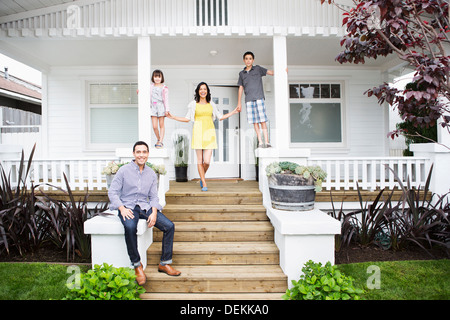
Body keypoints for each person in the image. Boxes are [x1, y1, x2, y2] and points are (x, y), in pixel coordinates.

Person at [108, 141, 181, 285]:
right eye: (138, 152)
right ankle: (137, 265)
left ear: (148, 154)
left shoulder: (151, 174)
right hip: (128, 206)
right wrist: (121, 208)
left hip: (144, 207)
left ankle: (164, 263)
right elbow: (112, 192)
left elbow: (154, 196)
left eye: (144, 152)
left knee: (169, 226)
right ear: (134, 154)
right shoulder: (123, 171)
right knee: (130, 227)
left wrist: (154, 212)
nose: (141, 155)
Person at [167, 82, 238, 191]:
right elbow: (187, 119)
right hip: (198, 133)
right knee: (200, 161)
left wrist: (233, 112)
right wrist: (173, 117)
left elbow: (220, 117)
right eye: (201, 89)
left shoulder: (212, 105)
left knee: (207, 161)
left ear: (207, 91)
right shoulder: (193, 104)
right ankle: (204, 183)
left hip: (209, 134)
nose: (203, 91)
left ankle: (202, 177)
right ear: (198, 91)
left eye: (205, 89)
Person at [236, 51, 274, 148]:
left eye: (250, 58)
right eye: (246, 59)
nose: (248, 60)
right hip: (249, 100)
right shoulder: (241, 74)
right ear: (244, 60)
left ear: (253, 60)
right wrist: (239, 103)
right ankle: (260, 142)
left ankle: (267, 141)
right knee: (254, 121)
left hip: (259, 98)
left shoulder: (257, 69)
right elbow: (240, 88)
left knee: (262, 120)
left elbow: (271, 72)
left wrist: (283, 71)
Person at [150, 69, 170, 148]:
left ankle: (160, 141)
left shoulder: (164, 87)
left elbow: (166, 99)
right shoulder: (150, 87)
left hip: (161, 106)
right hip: (153, 107)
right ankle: (159, 139)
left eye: (159, 77)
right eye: (155, 77)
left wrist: (167, 109)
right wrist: (139, 92)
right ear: (153, 77)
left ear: (161, 78)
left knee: (161, 125)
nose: (157, 78)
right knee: (154, 126)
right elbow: (145, 93)